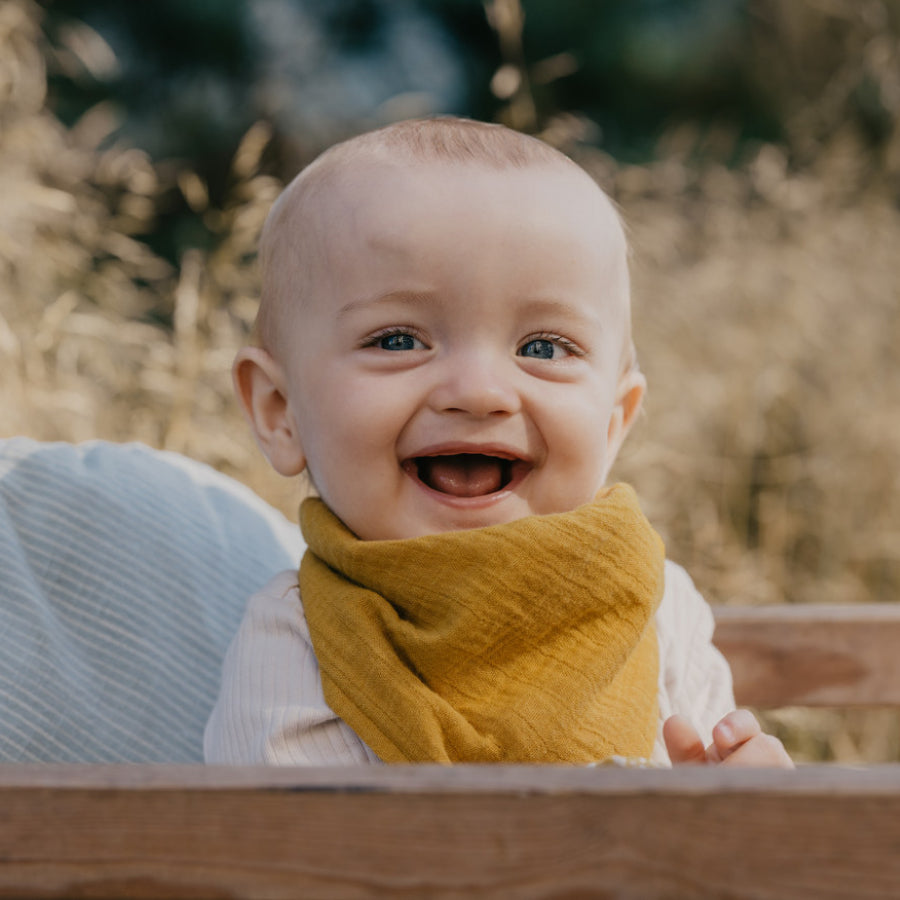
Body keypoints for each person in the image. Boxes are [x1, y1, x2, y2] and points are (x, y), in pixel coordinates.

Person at [204, 116, 792, 768]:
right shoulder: (300, 639)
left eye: (542, 347)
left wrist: (745, 800)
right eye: (398, 340)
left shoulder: (655, 602)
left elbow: (725, 830)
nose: (479, 392)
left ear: (613, 422)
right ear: (279, 410)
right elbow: (293, 853)